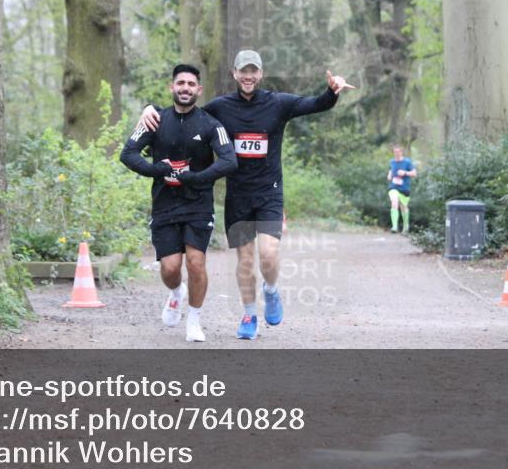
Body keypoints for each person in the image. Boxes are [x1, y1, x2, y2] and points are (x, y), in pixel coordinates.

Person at [139, 49, 355, 340]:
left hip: (269, 193)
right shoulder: (221, 107)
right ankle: (249, 314)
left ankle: (271, 290)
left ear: (261, 74)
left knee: (268, 255)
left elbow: (314, 104)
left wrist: (331, 92)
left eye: (253, 71)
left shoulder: (278, 103)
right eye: (243, 71)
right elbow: (187, 110)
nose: (248, 76)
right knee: (244, 260)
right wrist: (149, 108)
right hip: (237, 195)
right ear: (235, 74)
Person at [120, 64, 237, 342]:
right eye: (180, 83)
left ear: (199, 90)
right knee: (170, 268)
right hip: (164, 205)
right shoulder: (155, 119)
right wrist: (156, 169)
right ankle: (176, 292)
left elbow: (229, 160)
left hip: (198, 204)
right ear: (172, 87)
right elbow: (128, 153)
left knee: (196, 263)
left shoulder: (211, 124)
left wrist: (196, 178)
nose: (185, 88)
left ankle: (194, 320)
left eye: (190, 84)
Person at [387, 145, 417, 233]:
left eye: (398, 152)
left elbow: (414, 174)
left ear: (401, 152)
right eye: (394, 152)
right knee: (394, 201)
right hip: (393, 187)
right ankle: (394, 227)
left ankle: (406, 227)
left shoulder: (407, 162)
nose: (396, 154)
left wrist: (405, 173)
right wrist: (389, 176)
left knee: (404, 207)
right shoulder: (391, 162)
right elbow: (389, 173)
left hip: (404, 188)